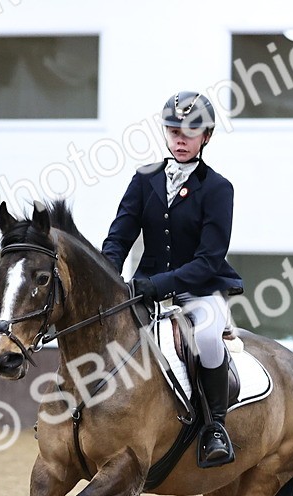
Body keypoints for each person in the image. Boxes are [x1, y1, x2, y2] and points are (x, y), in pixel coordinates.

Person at [102, 91, 243, 467]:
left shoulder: (217, 188)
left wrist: (160, 285)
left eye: (190, 132)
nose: (181, 138)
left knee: (210, 337)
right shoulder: (144, 178)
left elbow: (209, 259)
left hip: (199, 289)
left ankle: (215, 426)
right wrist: (107, 273)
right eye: (174, 130)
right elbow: (119, 236)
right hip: (143, 286)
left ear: (205, 137)